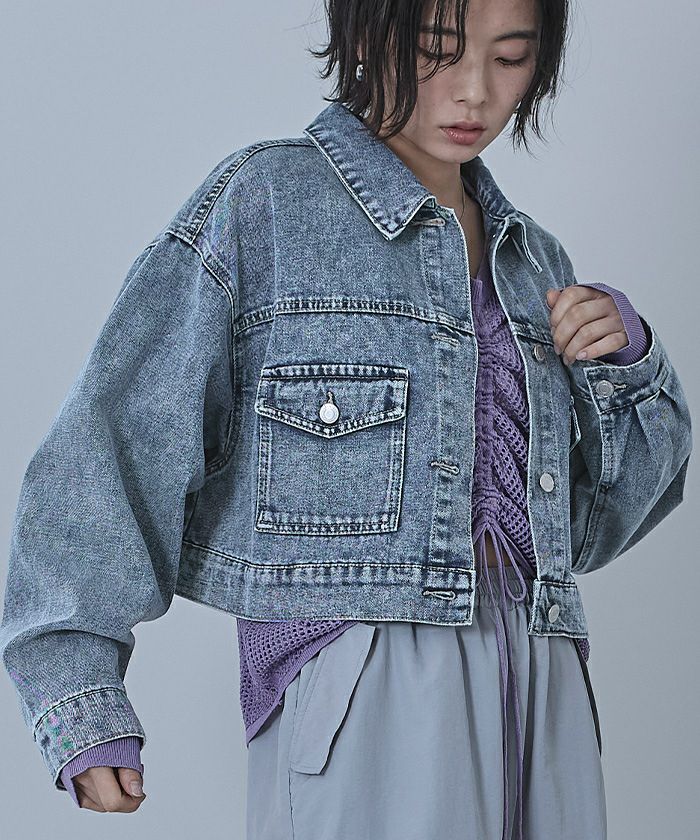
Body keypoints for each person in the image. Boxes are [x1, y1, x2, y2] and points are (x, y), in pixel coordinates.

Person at [0, 0, 692, 836]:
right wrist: (78, 693)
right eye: (438, 50)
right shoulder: (267, 206)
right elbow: (114, 442)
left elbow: (593, 529)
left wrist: (630, 363)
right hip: (365, 678)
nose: (475, 91)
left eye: (510, 59)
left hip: (546, 681)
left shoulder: (536, 261)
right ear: (368, 33)